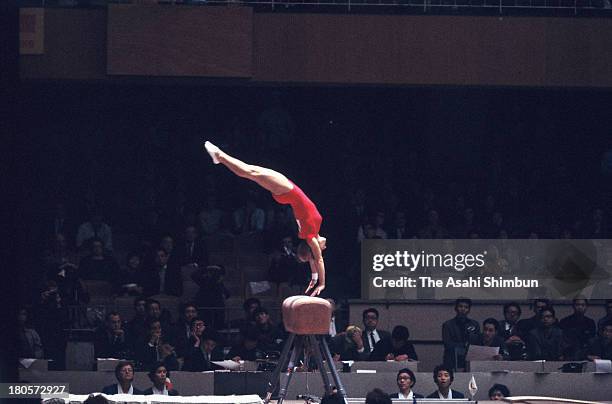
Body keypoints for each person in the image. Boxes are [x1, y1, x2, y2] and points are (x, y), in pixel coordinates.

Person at [204, 141, 326, 296]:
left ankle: (220, 156)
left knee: (250, 172)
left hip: (287, 191)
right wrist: (314, 281)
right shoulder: (311, 235)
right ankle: (220, 157)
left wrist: (321, 283)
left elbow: (318, 261)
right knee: (251, 171)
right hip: (287, 190)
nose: (324, 249)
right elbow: (314, 262)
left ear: (311, 251)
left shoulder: (310, 237)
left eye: (316, 253)